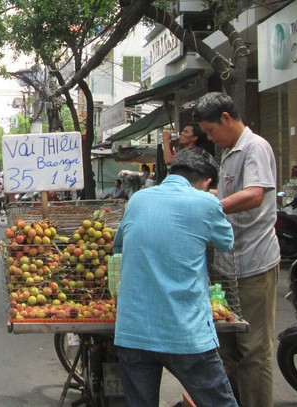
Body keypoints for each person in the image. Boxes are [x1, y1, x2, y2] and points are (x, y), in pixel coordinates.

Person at [113, 147, 237, 407]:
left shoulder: (138, 199)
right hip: (186, 332)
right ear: (206, 182)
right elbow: (227, 242)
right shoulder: (206, 203)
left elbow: (119, 245)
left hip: (133, 330)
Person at [192, 92, 280, 407]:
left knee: (254, 350)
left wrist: (212, 204)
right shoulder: (230, 153)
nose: (211, 138)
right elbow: (228, 193)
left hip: (254, 264)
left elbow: (255, 195)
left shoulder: (254, 147)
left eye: (211, 131)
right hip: (229, 266)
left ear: (226, 118)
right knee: (228, 348)